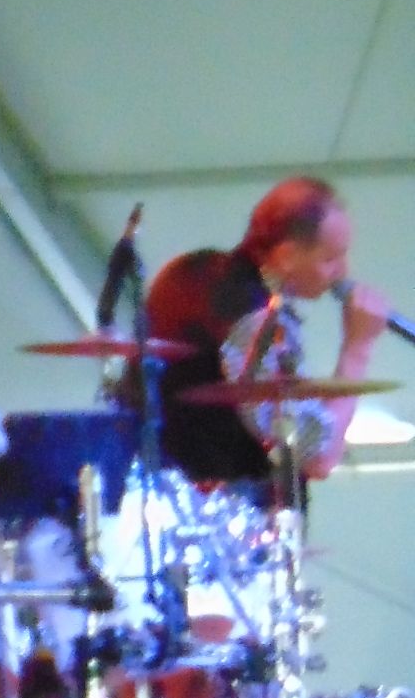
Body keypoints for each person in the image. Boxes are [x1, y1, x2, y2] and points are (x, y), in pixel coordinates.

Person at [146, 176, 389, 490]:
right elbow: (317, 457)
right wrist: (358, 348)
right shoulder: (257, 318)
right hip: (220, 501)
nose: (344, 272)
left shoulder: (198, 271)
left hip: (167, 489)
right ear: (286, 256)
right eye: (330, 259)